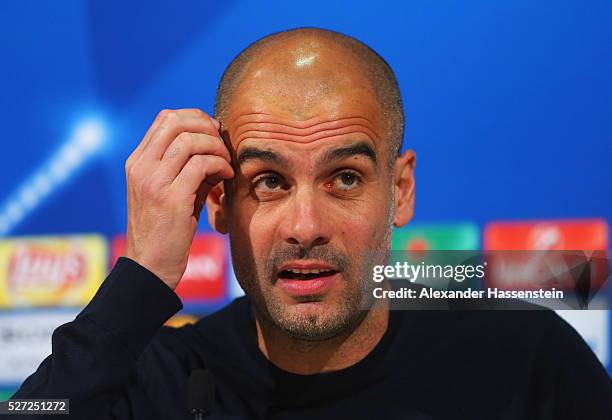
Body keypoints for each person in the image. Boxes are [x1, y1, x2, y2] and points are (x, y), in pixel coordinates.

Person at [12, 27, 612, 419]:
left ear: (399, 191)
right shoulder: (161, 379)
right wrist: (141, 277)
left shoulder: (522, 355)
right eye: (268, 182)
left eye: (345, 178)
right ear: (217, 203)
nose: (305, 226)